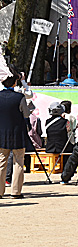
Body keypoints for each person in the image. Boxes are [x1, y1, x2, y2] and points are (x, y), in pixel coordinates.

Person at [0, 63, 30, 199]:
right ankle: (16, 191)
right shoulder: (19, 97)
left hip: (1, 133)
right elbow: (26, 115)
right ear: (14, 83)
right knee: (18, 161)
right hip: (17, 133)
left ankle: (0, 192)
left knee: (1, 162)